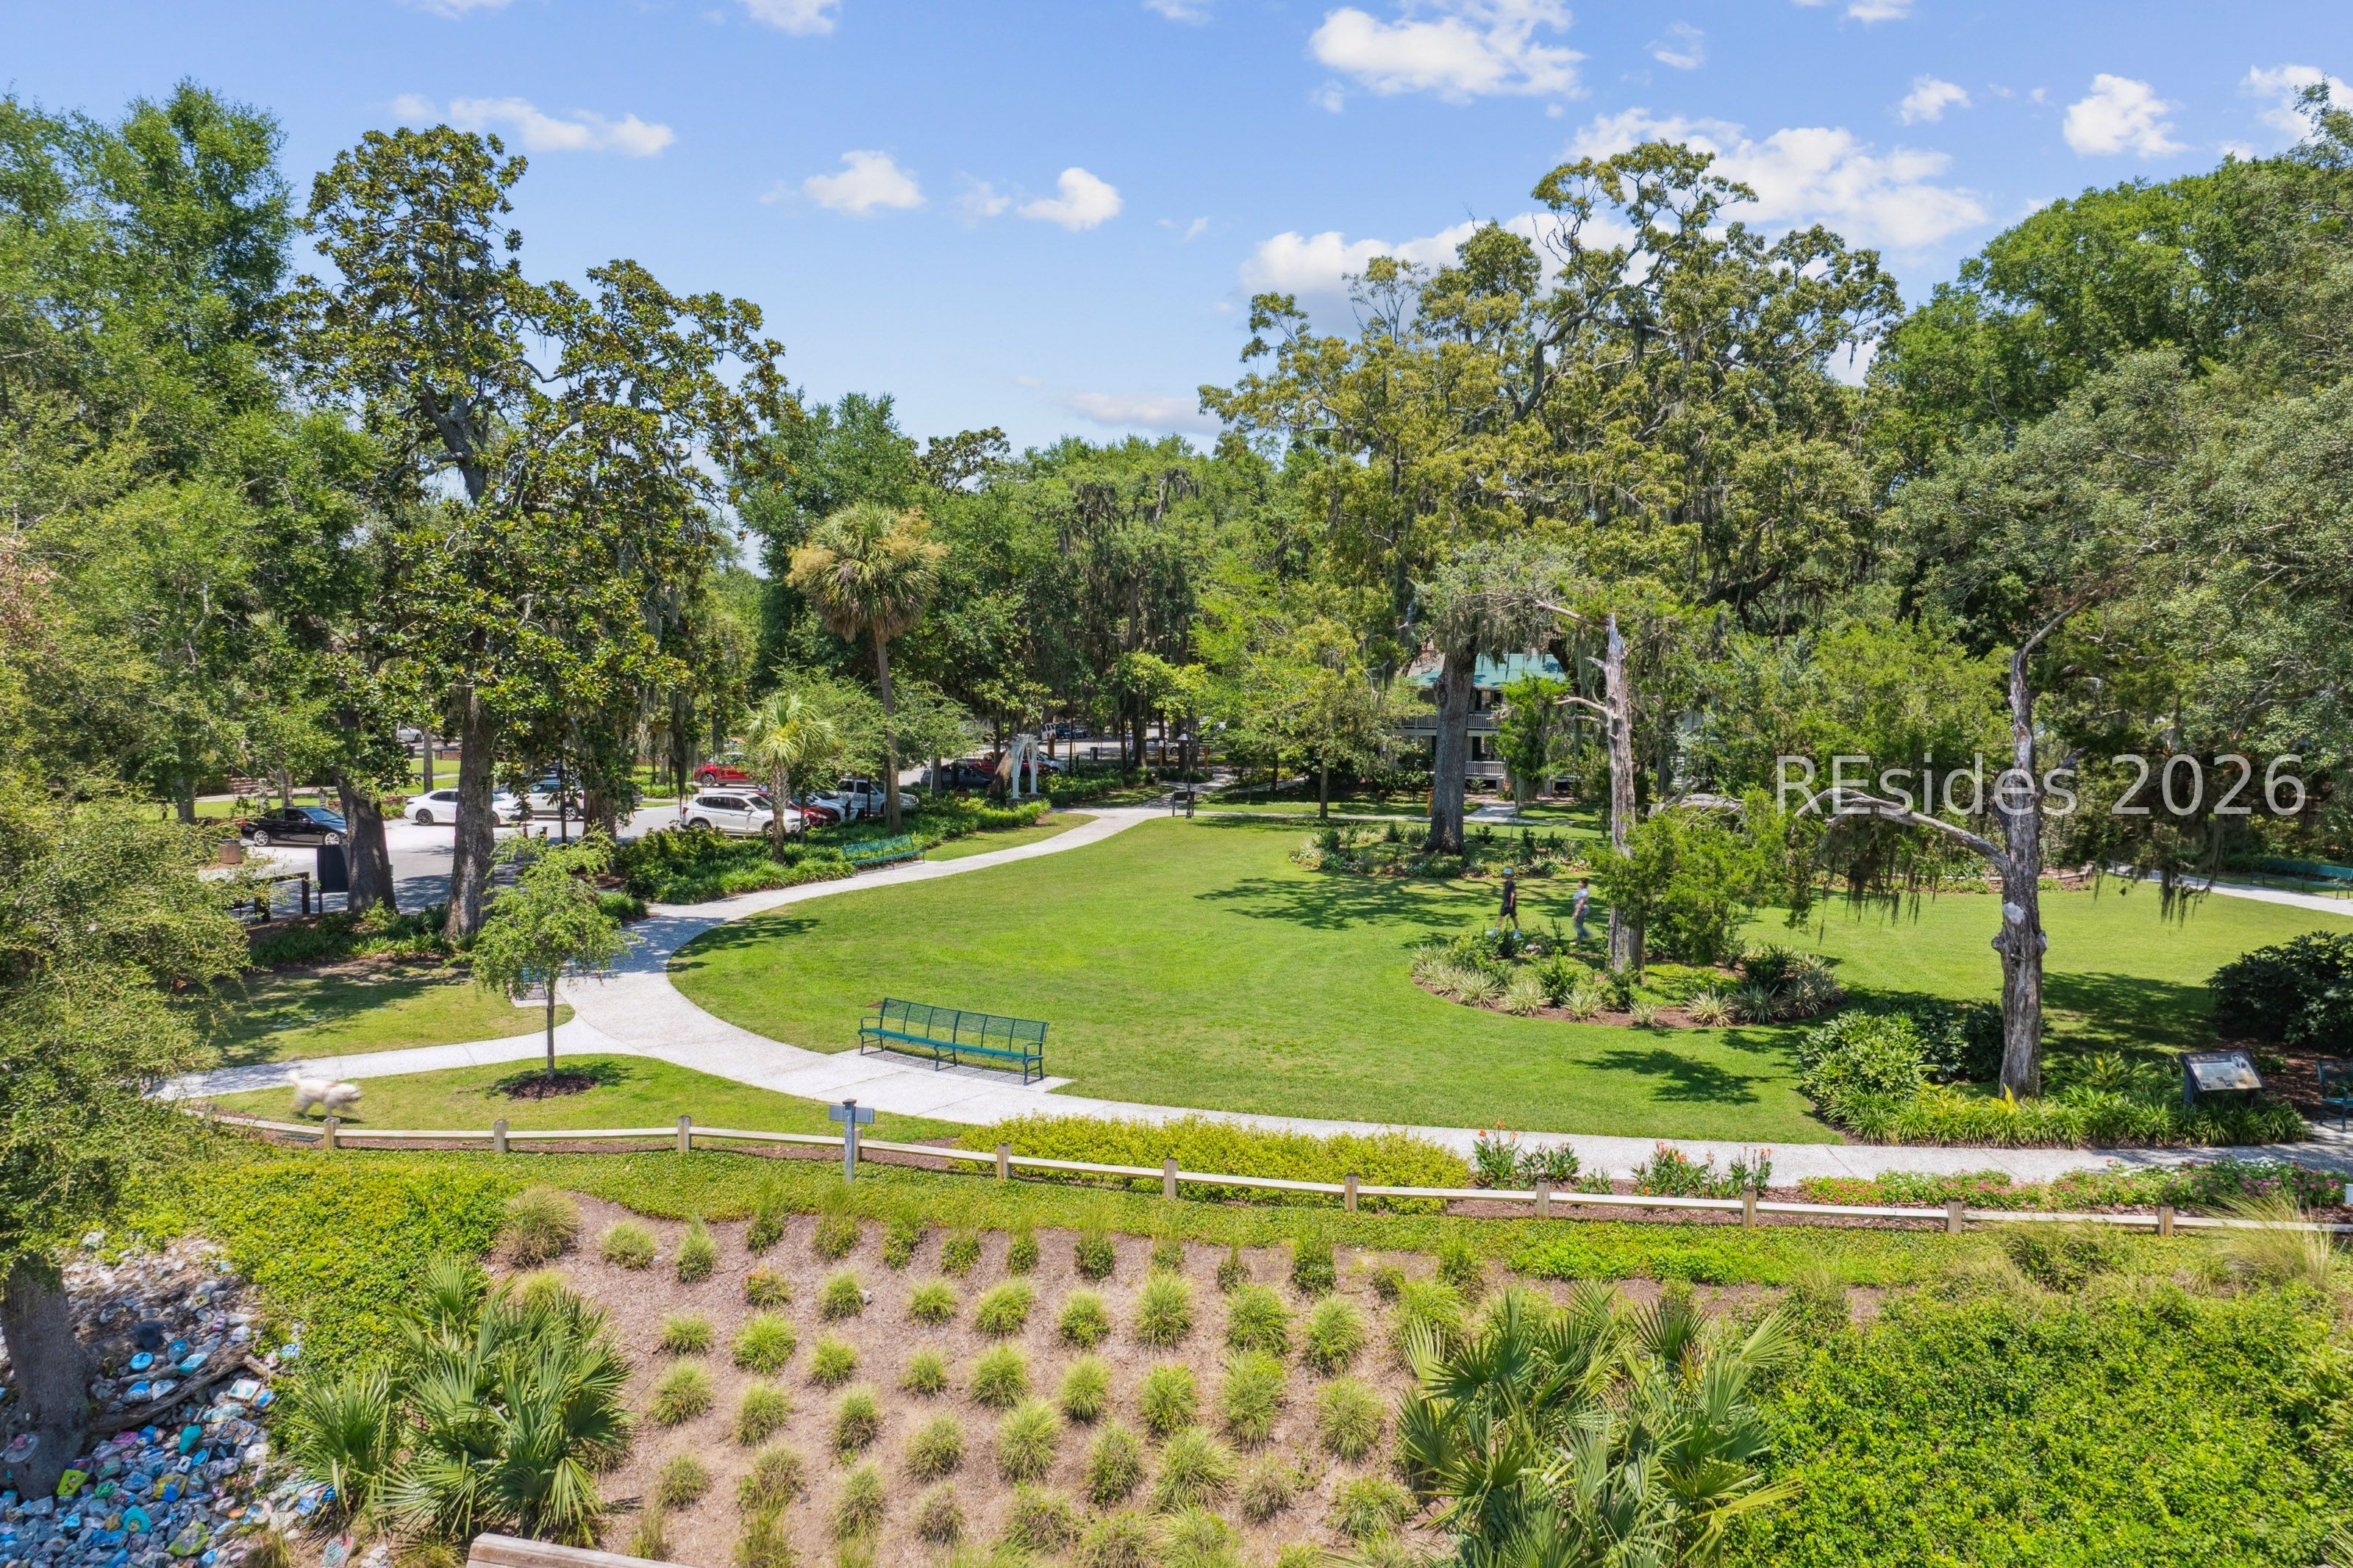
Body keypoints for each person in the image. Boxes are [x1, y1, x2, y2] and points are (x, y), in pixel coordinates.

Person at [1499, 869, 1520, 933]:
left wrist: (1511, 903)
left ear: (1509, 875)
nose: (1504, 875)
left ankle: (1517, 932)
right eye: (1504, 874)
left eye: (1505, 874)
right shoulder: (1506, 883)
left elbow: (1513, 893)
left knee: (1514, 918)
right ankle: (1496, 931)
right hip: (1505, 904)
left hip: (1510, 905)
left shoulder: (1511, 883)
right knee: (1501, 916)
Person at [1572, 878, 1593, 944]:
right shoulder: (1582, 891)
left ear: (1584, 884)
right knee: (1577, 925)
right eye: (1579, 882)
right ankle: (1586, 935)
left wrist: (1577, 912)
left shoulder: (1584, 892)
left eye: (1581, 883)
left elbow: (1581, 902)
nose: (1579, 884)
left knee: (1578, 925)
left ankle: (1580, 940)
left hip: (1582, 909)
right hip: (1580, 908)